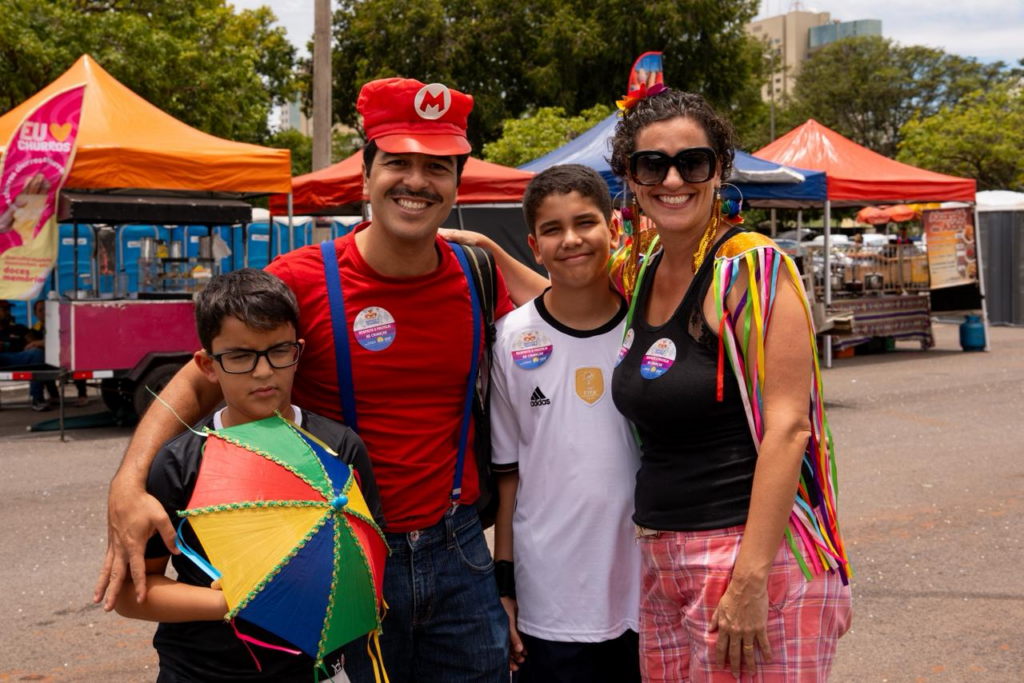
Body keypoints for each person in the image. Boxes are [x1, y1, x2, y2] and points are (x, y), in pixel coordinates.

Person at [95, 78, 515, 681]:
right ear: (366, 176)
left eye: (437, 167)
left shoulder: (476, 274)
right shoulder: (300, 279)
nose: (417, 181)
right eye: (398, 163)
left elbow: (572, 313)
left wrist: (491, 249)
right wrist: (128, 482)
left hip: (460, 550)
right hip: (336, 554)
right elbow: (198, 380)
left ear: (456, 184)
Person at [607, 87, 852, 681]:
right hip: (663, 555)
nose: (672, 179)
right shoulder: (642, 268)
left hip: (748, 559)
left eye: (692, 162)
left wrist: (750, 578)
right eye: (652, 165)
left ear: (719, 171)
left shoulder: (751, 269)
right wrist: (483, 250)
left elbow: (789, 428)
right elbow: (565, 290)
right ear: (631, 179)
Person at [113, 268, 383, 681]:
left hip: (315, 670)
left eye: (279, 351)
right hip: (201, 672)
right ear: (207, 364)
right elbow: (131, 591)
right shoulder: (182, 461)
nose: (263, 371)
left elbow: (366, 560)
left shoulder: (339, 448)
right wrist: (233, 601)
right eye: (240, 356)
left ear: (298, 350)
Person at [489, 165, 642, 681]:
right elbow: (508, 478)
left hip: (647, 590)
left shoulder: (647, 327)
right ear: (535, 247)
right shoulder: (509, 339)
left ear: (614, 229)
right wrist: (505, 583)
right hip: (550, 599)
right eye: (553, 230)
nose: (571, 240)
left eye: (585, 222)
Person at [29, 299, 89, 407]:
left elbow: (68, 341)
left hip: (65, 357)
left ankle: (82, 395)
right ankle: (54, 395)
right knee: (42, 363)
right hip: (48, 361)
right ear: (35, 314)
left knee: (75, 358)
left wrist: (43, 343)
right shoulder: (34, 330)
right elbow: (32, 345)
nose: (44, 312)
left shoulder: (61, 325)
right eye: (40, 310)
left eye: (46, 309)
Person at [0, 299, 49, 411]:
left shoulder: (19, 328)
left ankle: (37, 399)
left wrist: (33, 344)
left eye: (9, 309)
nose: (8, 312)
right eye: (4, 310)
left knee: (37, 353)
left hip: (19, 357)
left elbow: (35, 343)